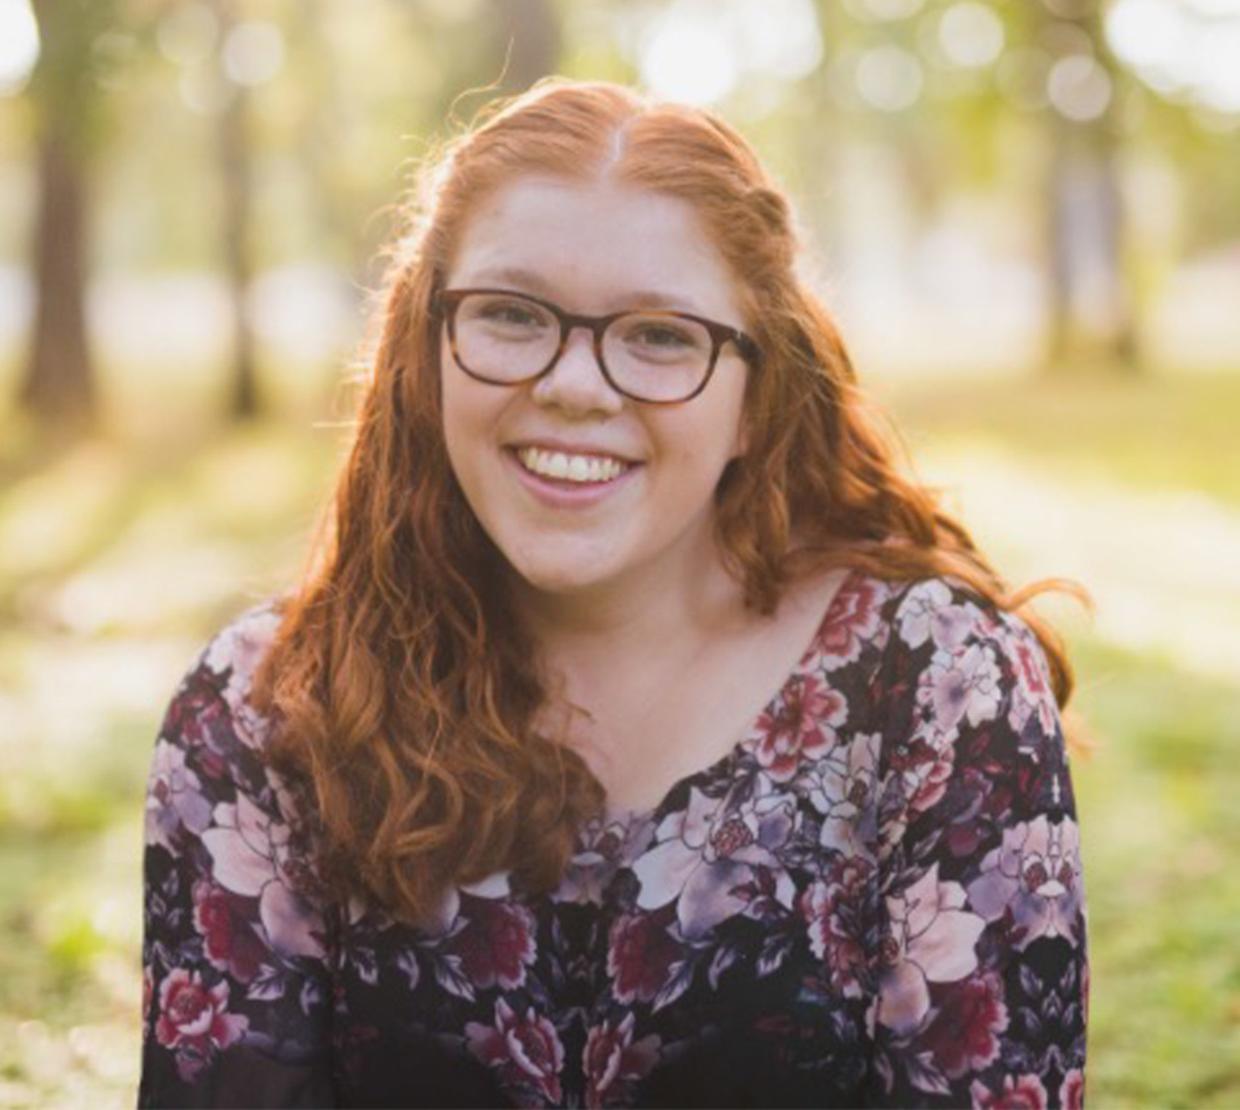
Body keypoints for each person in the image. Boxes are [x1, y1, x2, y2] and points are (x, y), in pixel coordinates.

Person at [139, 77, 1089, 1108]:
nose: (575, 386)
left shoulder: (938, 689)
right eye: (510, 314)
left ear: (756, 398)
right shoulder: (264, 708)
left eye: (660, 336)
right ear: (427, 351)